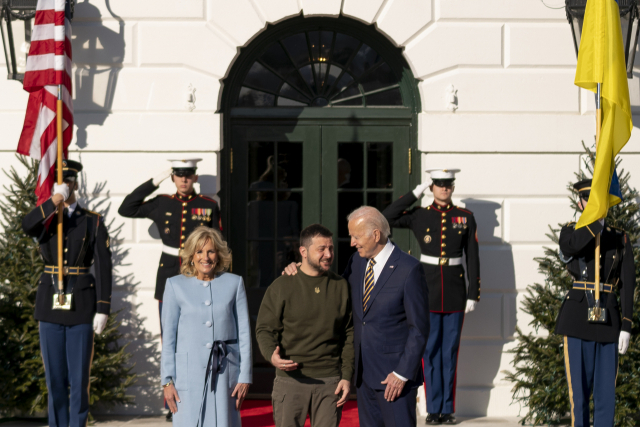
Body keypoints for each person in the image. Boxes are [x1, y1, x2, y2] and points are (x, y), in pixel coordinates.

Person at [118, 158, 220, 420]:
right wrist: (155, 180)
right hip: (168, 277)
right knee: (170, 341)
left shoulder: (207, 206)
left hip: (198, 277)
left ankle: (198, 395)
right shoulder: (163, 202)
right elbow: (126, 208)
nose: (184, 180)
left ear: (195, 177)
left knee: (199, 339)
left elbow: (218, 244)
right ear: (173, 177)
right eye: (178, 175)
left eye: (188, 175)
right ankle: (171, 402)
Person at [382, 169, 480, 424]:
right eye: (438, 185)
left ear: (453, 187)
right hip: (427, 292)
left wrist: (473, 293)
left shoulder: (465, 217)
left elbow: (473, 258)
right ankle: (432, 409)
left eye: (448, 185)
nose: (444, 189)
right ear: (432, 187)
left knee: (449, 352)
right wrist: (416, 191)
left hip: (456, 292)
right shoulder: (420, 215)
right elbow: (386, 217)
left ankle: (447, 410)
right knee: (428, 352)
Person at [22, 159, 112, 427]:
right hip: (49, 305)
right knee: (55, 380)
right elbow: (26, 225)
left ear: (76, 183)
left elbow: (104, 266)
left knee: (79, 379)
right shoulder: (45, 217)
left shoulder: (92, 221)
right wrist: (53, 201)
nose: (66, 185)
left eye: (69, 181)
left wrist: (103, 307)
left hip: (82, 306)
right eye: (61, 182)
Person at [256, 224, 353, 427]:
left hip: (330, 382)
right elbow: (265, 329)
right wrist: (271, 356)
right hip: (290, 381)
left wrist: (346, 376)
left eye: (331, 248)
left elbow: (349, 333)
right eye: (321, 249)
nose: (328, 254)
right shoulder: (282, 286)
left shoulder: (341, 286)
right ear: (303, 252)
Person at [555, 179, 634, 427]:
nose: (594, 203)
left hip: (608, 318)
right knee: (578, 393)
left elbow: (628, 284)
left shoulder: (619, 238)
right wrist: (594, 225)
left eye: (598, 198)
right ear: (580, 202)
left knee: (605, 395)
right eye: (588, 199)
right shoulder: (571, 231)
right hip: (577, 318)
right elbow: (573, 247)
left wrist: (627, 325)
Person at [161, 226, 251, 427]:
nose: (206, 257)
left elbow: (244, 334)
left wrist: (245, 376)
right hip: (187, 377)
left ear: (218, 255)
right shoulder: (175, 285)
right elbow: (169, 338)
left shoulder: (234, 283)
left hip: (226, 373)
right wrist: (167, 381)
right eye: (199, 251)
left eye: (211, 251)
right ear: (191, 256)